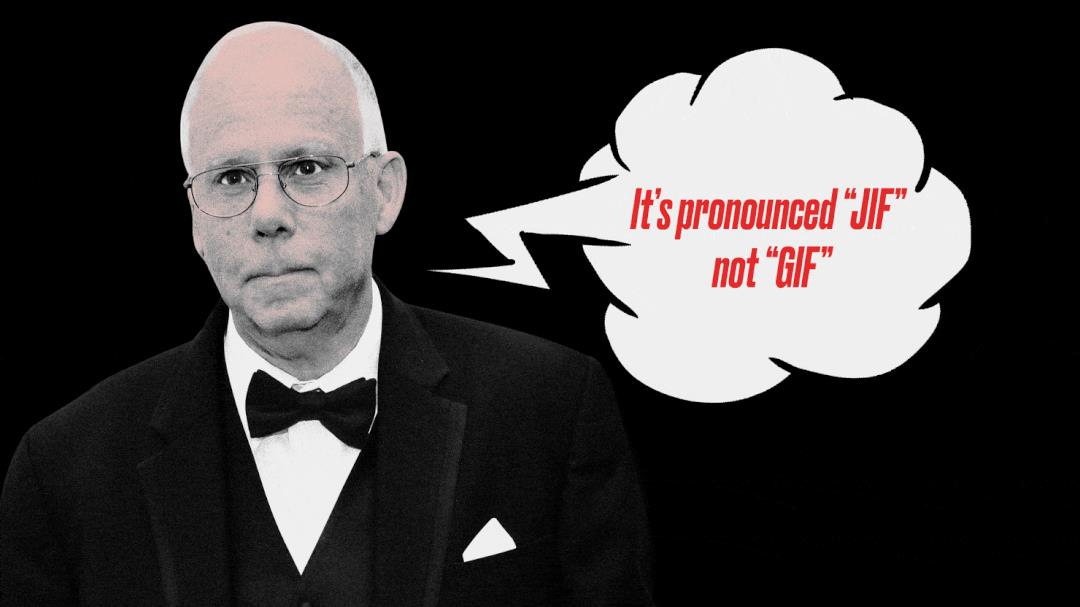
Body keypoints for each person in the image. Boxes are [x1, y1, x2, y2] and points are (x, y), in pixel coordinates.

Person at [0, 21, 653, 607]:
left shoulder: (549, 411)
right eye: (231, 178)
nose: (267, 215)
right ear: (195, 218)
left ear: (385, 191)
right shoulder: (66, 468)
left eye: (305, 167)